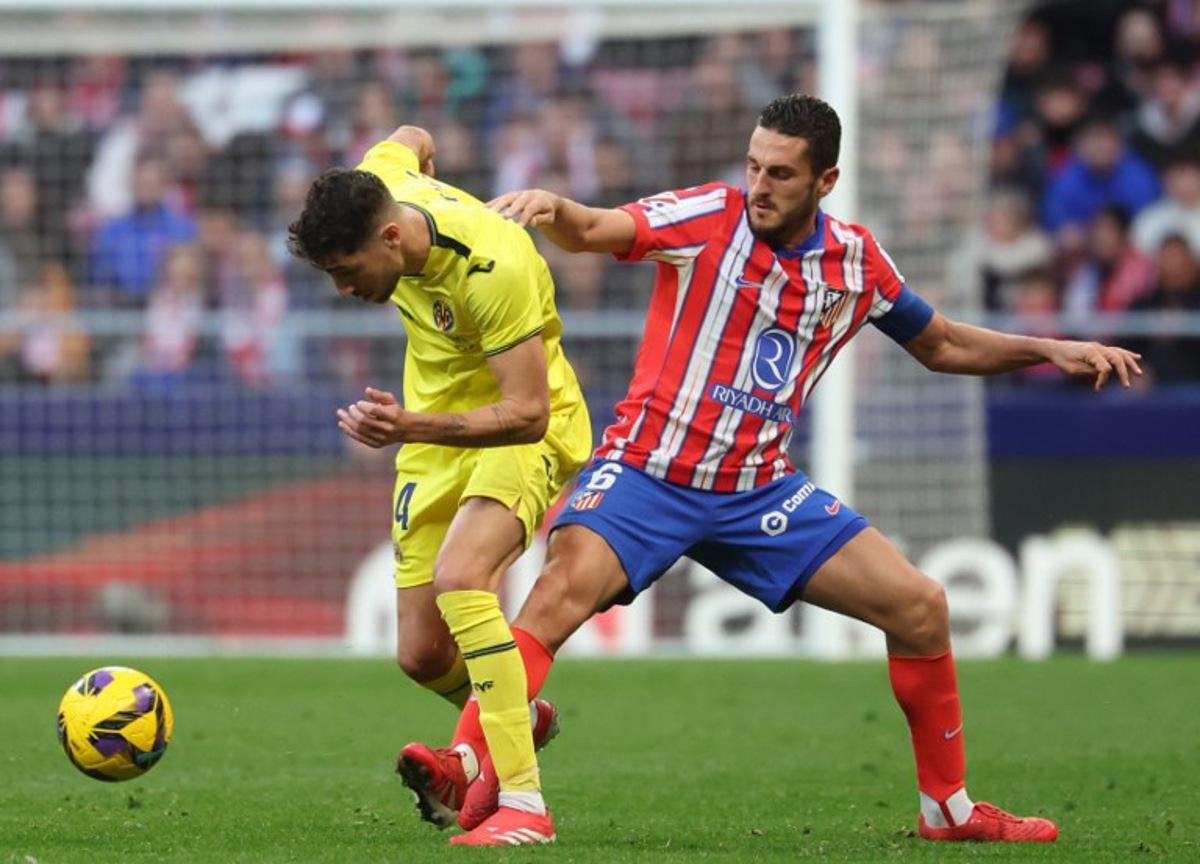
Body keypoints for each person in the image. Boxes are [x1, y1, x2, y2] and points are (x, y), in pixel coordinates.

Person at [407, 94, 1143, 846]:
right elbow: (599, 229)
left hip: (757, 489)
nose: (759, 184)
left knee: (920, 608)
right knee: (555, 596)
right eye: (754, 165)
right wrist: (554, 206)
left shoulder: (855, 262)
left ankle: (948, 812)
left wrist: (1049, 348)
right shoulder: (707, 217)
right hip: (648, 472)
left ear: (825, 181)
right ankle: (468, 762)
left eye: (781, 173)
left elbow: (944, 344)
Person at [286, 124, 593, 844]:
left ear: (391, 237)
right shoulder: (382, 179)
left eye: (348, 268)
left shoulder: (494, 263)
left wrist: (408, 426)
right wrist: (430, 159)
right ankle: (504, 715)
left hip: (526, 423)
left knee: (462, 578)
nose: (342, 288)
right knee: (421, 654)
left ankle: (521, 805)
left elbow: (524, 413)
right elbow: (412, 136)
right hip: (432, 434)